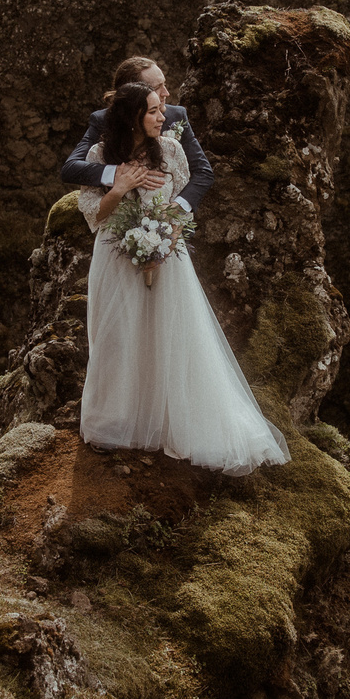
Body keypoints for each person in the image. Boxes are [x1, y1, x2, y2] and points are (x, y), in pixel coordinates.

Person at [73, 80, 289, 475]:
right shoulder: (100, 154)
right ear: (132, 119)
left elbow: (180, 203)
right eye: (153, 111)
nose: (163, 117)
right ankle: (112, 422)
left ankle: (171, 420)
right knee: (116, 335)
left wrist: (163, 237)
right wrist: (119, 187)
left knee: (168, 334)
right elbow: (95, 215)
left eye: (160, 109)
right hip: (113, 256)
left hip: (167, 254)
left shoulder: (170, 150)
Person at [60, 56, 215, 214]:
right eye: (157, 87)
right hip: (120, 220)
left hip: (167, 224)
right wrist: (121, 174)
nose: (166, 93)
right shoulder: (104, 120)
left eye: (165, 84)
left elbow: (203, 171)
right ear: (133, 93)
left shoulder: (176, 116)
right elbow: (70, 169)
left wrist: (176, 209)